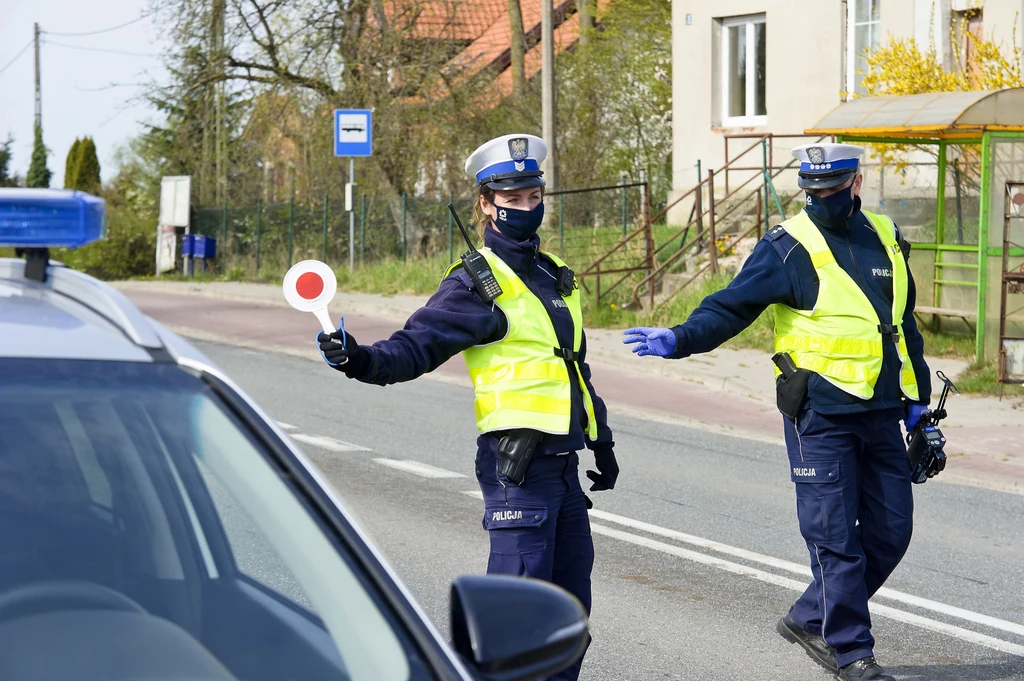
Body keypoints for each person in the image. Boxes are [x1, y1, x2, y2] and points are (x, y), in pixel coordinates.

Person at [623, 144, 931, 681]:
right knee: (835, 538)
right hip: (821, 413)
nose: (823, 201)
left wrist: (919, 401)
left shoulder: (887, 237)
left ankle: (810, 616)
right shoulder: (788, 246)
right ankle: (852, 651)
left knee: (891, 532)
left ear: (855, 183)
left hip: (883, 411)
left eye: (833, 190)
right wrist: (679, 338)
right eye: (813, 192)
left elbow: (903, 325)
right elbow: (731, 305)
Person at [316, 133, 617, 681]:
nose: (525, 207)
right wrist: (358, 358)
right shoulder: (475, 286)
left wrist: (602, 438)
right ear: (484, 203)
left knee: (568, 615)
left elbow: (569, 363)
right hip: (518, 469)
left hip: (564, 467)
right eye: (511, 197)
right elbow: (412, 348)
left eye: (533, 195)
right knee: (516, 621)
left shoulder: (554, 275)